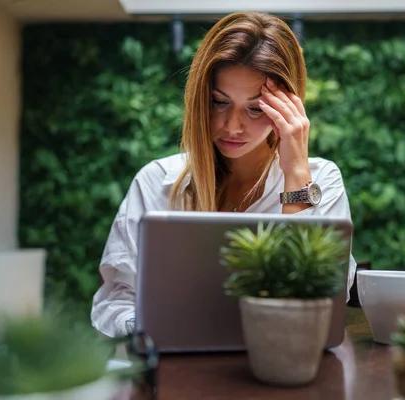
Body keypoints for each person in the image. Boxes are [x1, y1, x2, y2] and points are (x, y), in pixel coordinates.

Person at [91, 11, 357, 338]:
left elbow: (315, 305)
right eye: (219, 102)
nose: (232, 126)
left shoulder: (320, 180)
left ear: (289, 107)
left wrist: (296, 173)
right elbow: (116, 300)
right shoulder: (156, 182)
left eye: (256, 108)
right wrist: (154, 330)